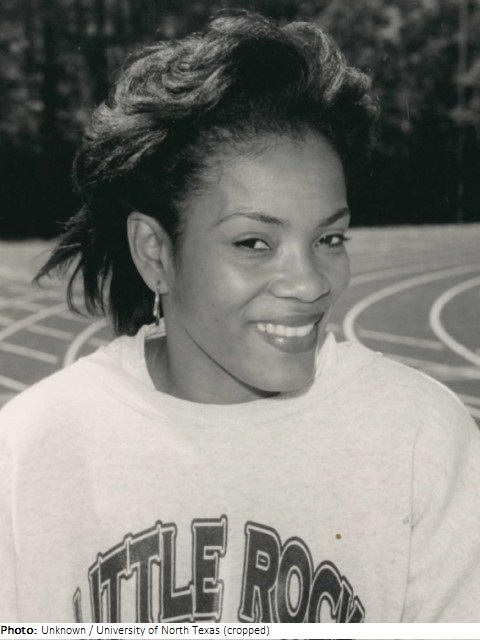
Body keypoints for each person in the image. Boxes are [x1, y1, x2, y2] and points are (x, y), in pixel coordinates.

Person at [1, 10, 480, 624]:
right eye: (254, 243)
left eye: (329, 239)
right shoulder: (31, 450)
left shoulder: (422, 438)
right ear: (156, 253)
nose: (310, 283)